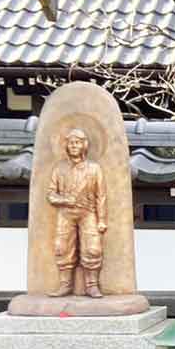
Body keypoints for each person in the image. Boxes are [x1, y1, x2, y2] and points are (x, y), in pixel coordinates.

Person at [47, 127, 108, 297]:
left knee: (93, 249)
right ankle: (65, 285)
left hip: (88, 212)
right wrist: (65, 200)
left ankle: (92, 285)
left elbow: (101, 195)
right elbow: (51, 194)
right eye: (71, 143)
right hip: (65, 213)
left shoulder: (94, 168)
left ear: (84, 145)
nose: (73, 146)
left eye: (77, 143)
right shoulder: (59, 169)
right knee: (62, 248)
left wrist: (101, 219)